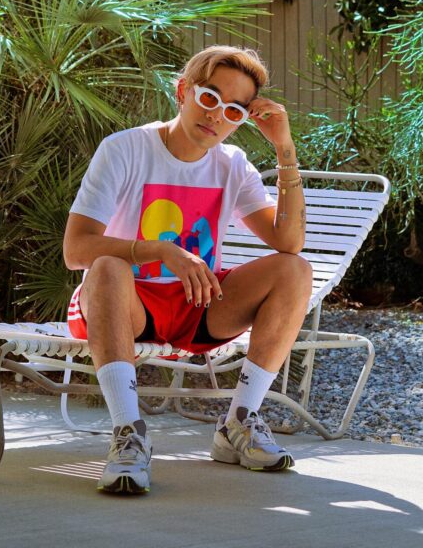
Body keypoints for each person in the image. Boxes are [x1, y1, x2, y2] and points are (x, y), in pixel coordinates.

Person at [63, 45, 312, 495]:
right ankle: (129, 433)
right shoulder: (125, 149)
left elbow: (289, 243)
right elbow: (75, 250)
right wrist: (160, 250)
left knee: (294, 270)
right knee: (105, 267)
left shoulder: (233, 165)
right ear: (183, 91)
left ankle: (239, 421)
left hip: (198, 306)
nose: (217, 115)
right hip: (125, 304)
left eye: (234, 109)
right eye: (210, 97)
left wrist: (284, 147)